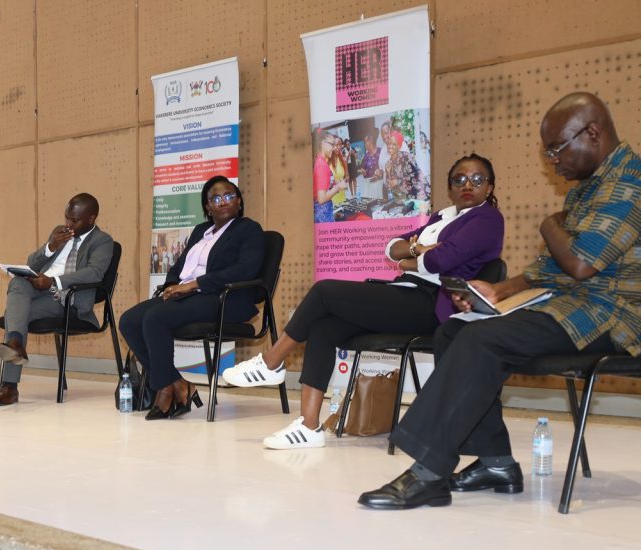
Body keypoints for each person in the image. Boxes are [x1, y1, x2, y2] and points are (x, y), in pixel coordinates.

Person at [358, 92, 641, 510]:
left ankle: (428, 472)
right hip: (572, 305)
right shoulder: (590, 184)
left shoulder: (629, 183)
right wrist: (501, 291)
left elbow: (580, 263)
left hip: (611, 315)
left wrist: (549, 224)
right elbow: (554, 266)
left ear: (593, 133)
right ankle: (495, 461)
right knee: (454, 331)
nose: (553, 162)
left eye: (556, 150)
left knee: (482, 340)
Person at [223, 154, 505, 449]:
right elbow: (391, 248)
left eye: (477, 179)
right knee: (325, 327)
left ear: (490, 187)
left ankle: (271, 362)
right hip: (407, 293)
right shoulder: (442, 217)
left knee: (324, 291)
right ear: (449, 187)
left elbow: (441, 260)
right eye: (459, 179)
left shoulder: (487, 219)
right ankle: (308, 426)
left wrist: (412, 259)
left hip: (432, 305)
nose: (467, 185)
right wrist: (416, 250)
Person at [120, 176, 265, 420]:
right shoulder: (201, 231)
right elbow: (180, 265)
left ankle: (164, 390)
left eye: (230, 196)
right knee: (129, 321)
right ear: (207, 206)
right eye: (216, 198)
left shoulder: (249, 229)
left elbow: (245, 270)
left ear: (239, 201)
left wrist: (194, 285)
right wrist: (172, 285)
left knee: (156, 317)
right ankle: (177, 382)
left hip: (224, 298)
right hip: (189, 295)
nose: (223, 202)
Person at [0, 193, 112, 406]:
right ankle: (16, 344)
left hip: (68, 299)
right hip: (40, 289)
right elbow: (32, 263)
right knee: (18, 283)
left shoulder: (102, 241)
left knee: (14, 315)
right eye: (66, 218)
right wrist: (51, 247)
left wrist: (53, 281)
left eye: (74, 220)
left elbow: (94, 273)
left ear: (91, 219)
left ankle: (10, 385)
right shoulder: (60, 234)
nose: (68, 224)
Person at [313, 130, 347, 223]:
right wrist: (338, 187)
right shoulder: (322, 165)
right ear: (323, 143)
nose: (334, 148)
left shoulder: (319, 161)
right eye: (332, 144)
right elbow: (321, 198)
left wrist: (333, 184)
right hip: (322, 213)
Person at [384, 132, 428, 203]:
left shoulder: (406, 157)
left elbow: (416, 176)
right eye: (389, 143)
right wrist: (388, 173)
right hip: (403, 200)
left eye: (394, 144)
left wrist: (398, 181)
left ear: (399, 146)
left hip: (418, 196)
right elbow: (390, 186)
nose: (390, 146)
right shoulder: (388, 164)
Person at [359, 132, 384, 200]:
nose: (365, 145)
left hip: (380, 185)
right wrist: (363, 173)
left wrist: (379, 175)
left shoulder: (381, 152)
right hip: (369, 186)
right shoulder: (366, 156)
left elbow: (386, 168)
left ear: (370, 142)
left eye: (365, 142)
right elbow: (364, 173)